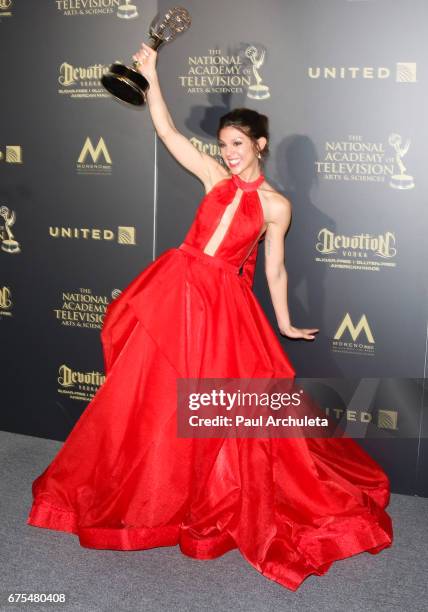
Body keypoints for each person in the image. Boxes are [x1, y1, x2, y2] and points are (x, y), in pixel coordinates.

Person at [27, 42, 393, 591]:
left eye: (238, 145)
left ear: (260, 145)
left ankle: (208, 493)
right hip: (178, 289)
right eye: (224, 145)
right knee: (151, 392)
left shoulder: (276, 205)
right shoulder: (212, 179)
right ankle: (154, 489)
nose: (228, 154)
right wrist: (151, 78)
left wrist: (288, 322)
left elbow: (275, 271)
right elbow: (170, 132)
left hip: (222, 305)